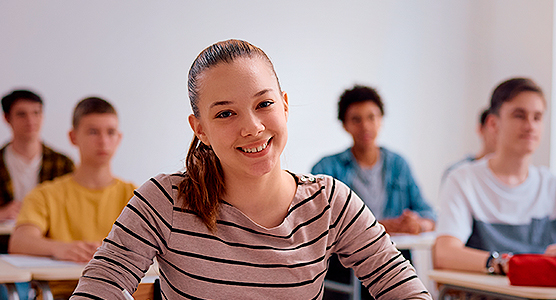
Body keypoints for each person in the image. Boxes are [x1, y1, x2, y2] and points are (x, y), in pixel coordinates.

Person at [70, 40, 431, 300]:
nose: (253, 127)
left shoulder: (330, 202)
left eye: (264, 103)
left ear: (285, 105)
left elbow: (403, 287)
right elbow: (102, 283)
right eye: (226, 113)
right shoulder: (164, 200)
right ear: (201, 130)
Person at [433, 77, 556, 275]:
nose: (530, 126)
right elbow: (444, 254)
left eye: (537, 117)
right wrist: (505, 264)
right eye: (519, 116)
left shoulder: (554, 186)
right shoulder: (463, 180)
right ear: (493, 124)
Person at [9, 97, 135, 263]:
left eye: (110, 132)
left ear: (119, 138)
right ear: (73, 136)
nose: (103, 141)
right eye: (93, 132)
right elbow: (19, 242)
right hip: (62, 288)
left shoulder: (134, 195)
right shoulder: (45, 194)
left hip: (122, 288)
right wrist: (60, 248)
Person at [311, 85, 436, 234]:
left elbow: (429, 214)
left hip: (396, 254)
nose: (365, 126)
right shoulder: (326, 169)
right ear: (345, 125)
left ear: (381, 119)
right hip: (347, 257)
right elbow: (315, 222)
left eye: (371, 117)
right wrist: (377, 227)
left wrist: (418, 225)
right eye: (356, 119)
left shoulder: (398, 165)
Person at [0, 89, 74, 222]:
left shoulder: (63, 163)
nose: (30, 120)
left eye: (36, 113)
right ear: (7, 118)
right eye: (22, 114)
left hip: (47, 239)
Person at [440, 108, 496, 183]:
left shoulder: (511, 177)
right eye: (492, 125)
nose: (497, 133)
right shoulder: (455, 172)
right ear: (480, 129)